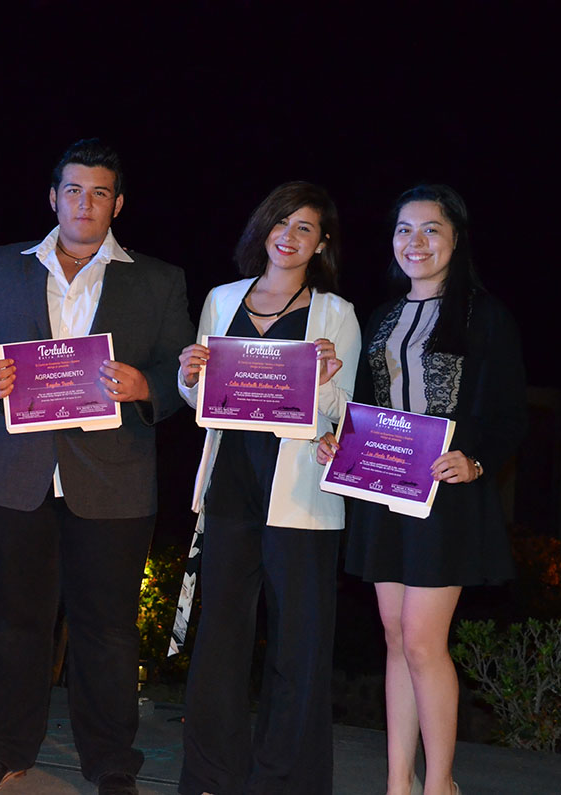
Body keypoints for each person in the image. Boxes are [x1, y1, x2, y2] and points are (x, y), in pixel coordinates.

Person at [0, 139, 194, 795]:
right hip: (17, 475)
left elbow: (183, 370)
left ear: (118, 203)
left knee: (109, 631)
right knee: (16, 624)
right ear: (52, 197)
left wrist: (148, 386)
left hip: (116, 480)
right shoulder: (3, 264)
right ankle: (2, 749)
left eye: (99, 193)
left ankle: (111, 760)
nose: (84, 204)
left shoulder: (158, 279)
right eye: (73, 190)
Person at [317, 184, 527, 795]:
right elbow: (363, 404)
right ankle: (397, 783)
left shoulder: (485, 316)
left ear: (456, 238)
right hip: (384, 492)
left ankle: (440, 784)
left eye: (431, 229)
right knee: (394, 638)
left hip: (445, 496)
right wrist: (338, 440)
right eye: (404, 230)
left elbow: (511, 413)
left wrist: (477, 461)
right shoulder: (381, 317)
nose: (416, 242)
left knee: (422, 642)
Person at [174, 181, 361, 795]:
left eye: (305, 227)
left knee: (297, 646)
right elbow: (202, 399)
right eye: (281, 222)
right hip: (230, 487)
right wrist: (188, 376)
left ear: (321, 243)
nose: (289, 235)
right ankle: (212, 776)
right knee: (220, 641)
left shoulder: (336, 312)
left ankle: (286, 781)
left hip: (301, 496)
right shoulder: (222, 298)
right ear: (263, 229)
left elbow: (344, 414)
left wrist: (325, 377)